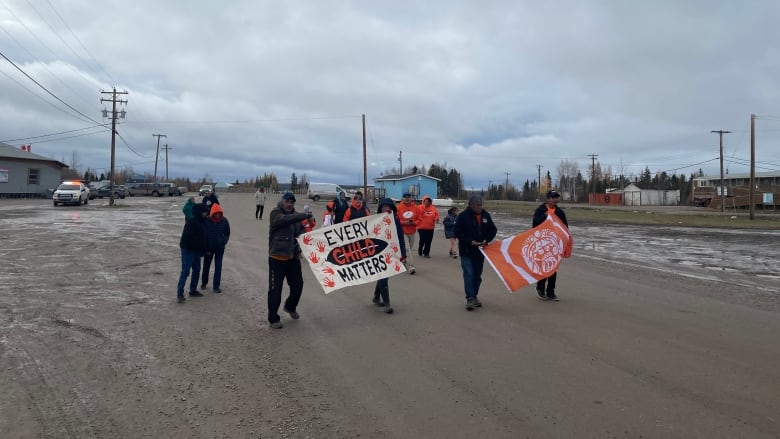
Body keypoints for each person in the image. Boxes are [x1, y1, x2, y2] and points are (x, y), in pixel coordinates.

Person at [266, 192, 313, 329]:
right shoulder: (275, 213)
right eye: (287, 201)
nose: (289, 204)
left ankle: (290, 306)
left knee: (298, 285)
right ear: (282, 202)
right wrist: (304, 215)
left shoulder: (297, 217)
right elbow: (285, 220)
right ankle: (273, 318)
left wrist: (310, 230)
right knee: (275, 290)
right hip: (276, 259)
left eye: (291, 202)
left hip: (292, 259)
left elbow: (302, 233)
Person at [454, 195, 497, 311]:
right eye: (477, 205)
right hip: (466, 251)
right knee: (468, 274)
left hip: (480, 251)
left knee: (477, 276)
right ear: (471, 205)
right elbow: (457, 232)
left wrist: (486, 240)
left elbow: (493, 229)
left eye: (480, 205)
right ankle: (470, 298)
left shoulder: (485, 215)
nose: (479, 208)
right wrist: (469, 241)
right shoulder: (463, 216)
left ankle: (474, 296)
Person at [371, 198, 407, 314]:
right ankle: (387, 304)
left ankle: (376, 296)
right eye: (383, 207)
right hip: (378, 252)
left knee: (384, 275)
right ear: (380, 208)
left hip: (391, 252)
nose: (386, 208)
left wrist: (403, 254)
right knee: (383, 275)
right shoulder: (375, 221)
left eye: (388, 206)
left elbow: (400, 237)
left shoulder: (395, 220)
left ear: (392, 208)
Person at [533, 190, 569, 301]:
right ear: (548, 199)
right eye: (553, 197)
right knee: (544, 267)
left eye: (557, 197)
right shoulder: (541, 210)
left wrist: (565, 244)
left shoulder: (560, 212)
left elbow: (565, 228)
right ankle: (540, 288)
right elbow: (535, 225)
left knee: (553, 268)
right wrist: (544, 216)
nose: (555, 199)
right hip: (543, 244)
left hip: (555, 244)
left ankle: (551, 292)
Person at [176, 204, 209, 303]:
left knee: (197, 270)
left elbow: (204, 237)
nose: (206, 214)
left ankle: (193, 290)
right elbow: (186, 239)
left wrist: (204, 248)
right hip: (188, 250)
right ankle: (180, 293)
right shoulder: (191, 222)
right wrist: (198, 245)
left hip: (196, 251)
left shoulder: (204, 222)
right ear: (199, 212)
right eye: (204, 212)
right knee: (186, 271)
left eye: (206, 212)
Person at [201, 203, 231, 294]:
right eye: (216, 213)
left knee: (218, 267)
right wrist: (205, 246)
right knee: (206, 266)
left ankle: (216, 286)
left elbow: (227, 233)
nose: (217, 215)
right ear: (212, 213)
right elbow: (203, 234)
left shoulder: (224, 221)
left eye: (219, 213)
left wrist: (223, 241)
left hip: (219, 248)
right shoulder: (206, 221)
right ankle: (204, 283)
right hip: (208, 248)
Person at [396, 192, 419, 274]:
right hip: (403, 232)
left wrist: (413, 222)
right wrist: (404, 222)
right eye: (405, 197)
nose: (407, 198)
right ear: (403, 198)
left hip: (412, 231)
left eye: (408, 197)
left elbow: (419, 219)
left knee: (409, 248)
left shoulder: (416, 207)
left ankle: (403, 258)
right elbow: (396, 220)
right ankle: (411, 266)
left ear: (411, 198)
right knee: (408, 249)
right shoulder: (399, 208)